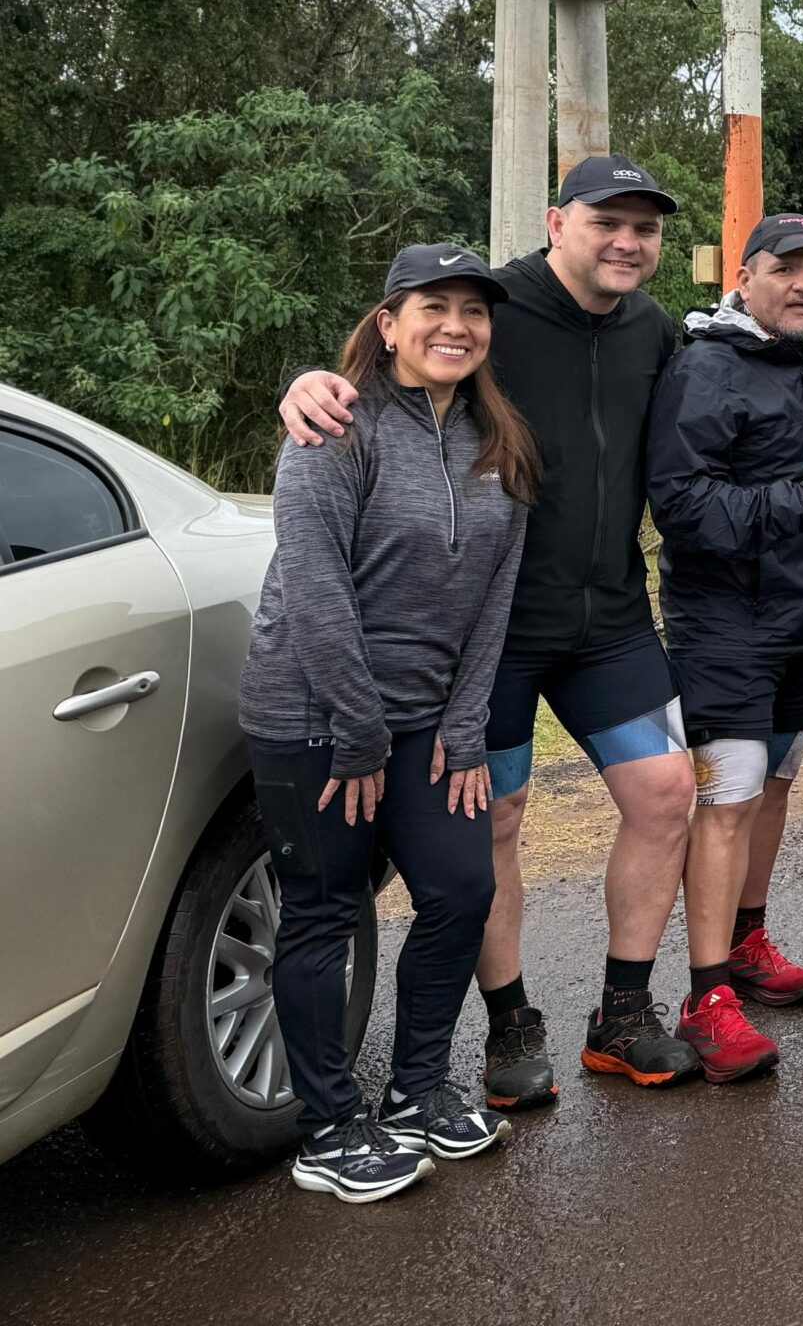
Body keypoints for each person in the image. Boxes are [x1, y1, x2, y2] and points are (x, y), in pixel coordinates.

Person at [279, 155, 700, 1107]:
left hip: (609, 617)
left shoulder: (651, 328)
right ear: (557, 224)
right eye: (607, 222)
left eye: (645, 228)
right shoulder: (493, 309)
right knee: (498, 816)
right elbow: (393, 366)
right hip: (490, 630)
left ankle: (622, 1013)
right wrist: (305, 382)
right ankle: (509, 1021)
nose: (628, 242)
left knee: (666, 790)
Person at [241, 244, 535, 1201]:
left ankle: (415, 1092)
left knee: (460, 890)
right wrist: (359, 730)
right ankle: (328, 1129)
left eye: (473, 311)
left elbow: (494, 602)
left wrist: (464, 726)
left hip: (425, 726)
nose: (455, 325)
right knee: (327, 910)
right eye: (432, 306)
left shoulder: (498, 443)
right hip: (315, 718)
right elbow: (314, 584)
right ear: (389, 324)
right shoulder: (334, 427)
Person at [647, 213, 803, 1081]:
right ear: (745, 278)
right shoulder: (704, 367)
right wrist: (800, 504)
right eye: (786, 269)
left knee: (772, 787)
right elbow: (679, 505)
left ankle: (745, 944)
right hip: (724, 626)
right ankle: (705, 999)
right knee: (726, 802)